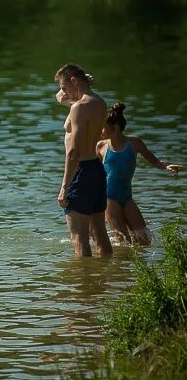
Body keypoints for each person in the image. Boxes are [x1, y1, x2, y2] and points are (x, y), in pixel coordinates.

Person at [96, 103, 182, 245]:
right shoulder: (101, 146)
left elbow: (154, 161)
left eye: (103, 126)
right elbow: (95, 172)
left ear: (116, 127)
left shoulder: (135, 143)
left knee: (144, 239)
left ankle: (138, 265)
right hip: (110, 199)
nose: (100, 130)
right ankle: (121, 266)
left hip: (127, 198)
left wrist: (166, 166)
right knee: (123, 242)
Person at [55, 63, 113, 257]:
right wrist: (68, 97)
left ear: (74, 81)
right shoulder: (100, 103)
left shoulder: (79, 108)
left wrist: (65, 185)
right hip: (96, 169)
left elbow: (74, 151)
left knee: (78, 238)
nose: (63, 93)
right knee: (99, 233)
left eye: (64, 87)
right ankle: (104, 278)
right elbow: (71, 102)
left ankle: (85, 285)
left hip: (81, 171)